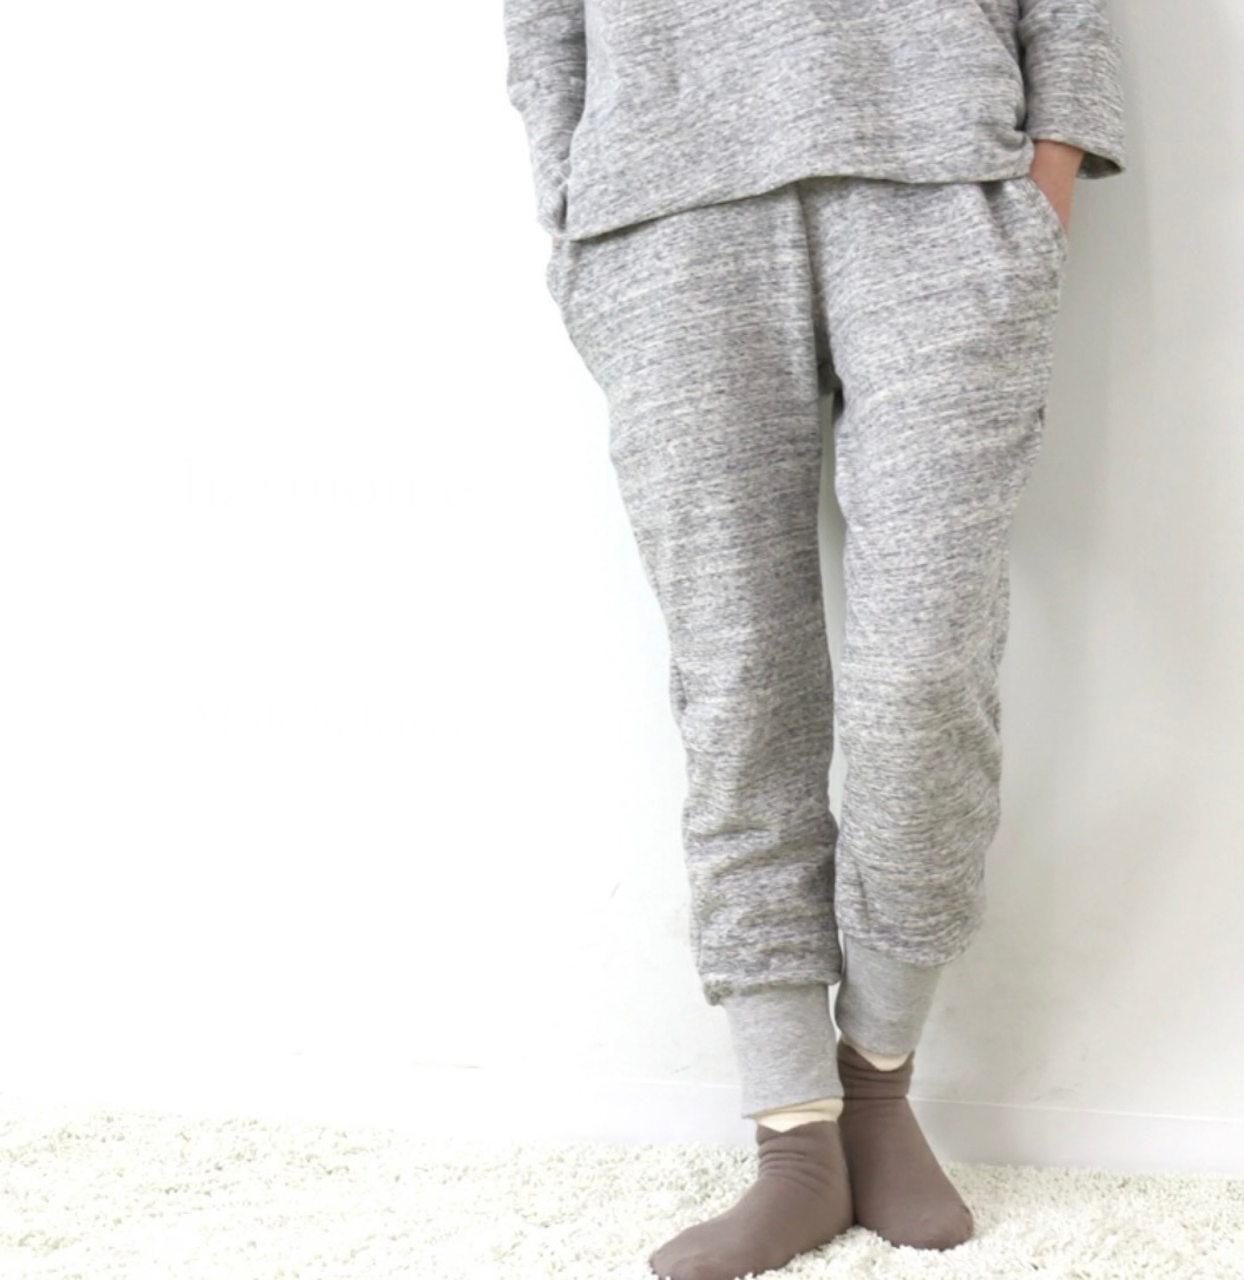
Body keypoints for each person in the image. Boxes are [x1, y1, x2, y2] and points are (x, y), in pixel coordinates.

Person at [503, 3, 1126, 1278]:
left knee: (922, 671)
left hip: (939, 188)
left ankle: (877, 1076)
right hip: (663, 213)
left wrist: (1045, 177)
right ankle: (793, 1133)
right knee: (739, 679)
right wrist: (568, 196)